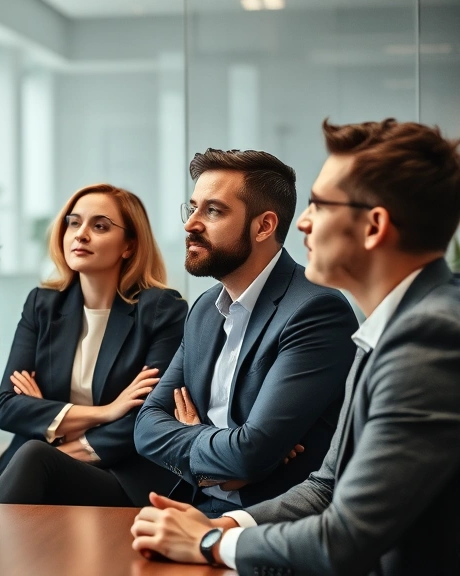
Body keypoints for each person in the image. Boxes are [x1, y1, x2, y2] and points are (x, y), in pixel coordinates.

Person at [131, 119, 460, 576]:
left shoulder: (431, 337)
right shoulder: (389, 328)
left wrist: (209, 543)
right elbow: (326, 486)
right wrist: (224, 525)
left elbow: (344, 539)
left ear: (374, 227)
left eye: (319, 206)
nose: (301, 222)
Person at [133, 148, 358, 517]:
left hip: (271, 524)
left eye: (214, 211)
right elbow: (146, 426)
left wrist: (226, 451)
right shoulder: (204, 309)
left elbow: (251, 454)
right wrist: (218, 460)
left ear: (263, 226)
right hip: (195, 507)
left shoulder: (315, 310)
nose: (191, 224)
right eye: (192, 209)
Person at [0, 183, 187, 506]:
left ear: (129, 246)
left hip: (118, 475)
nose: (80, 234)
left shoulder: (161, 309)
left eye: (100, 226)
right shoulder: (42, 305)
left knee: (34, 456)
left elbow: (147, 416)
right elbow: (7, 407)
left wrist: (57, 439)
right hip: (37, 467)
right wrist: (105, 412)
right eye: (73, 223)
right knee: (32, 460)